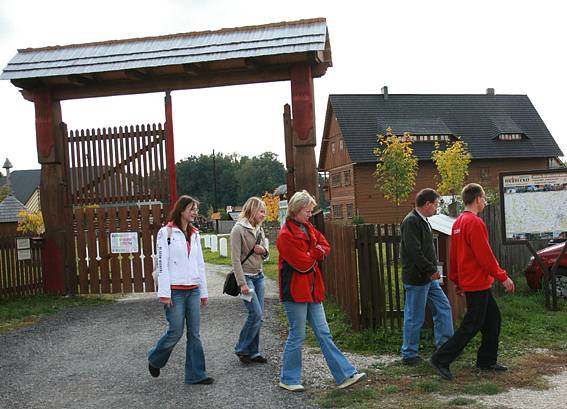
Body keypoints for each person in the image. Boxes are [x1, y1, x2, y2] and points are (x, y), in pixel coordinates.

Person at [277, 190, 366, 392]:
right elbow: (303, 264)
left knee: (324, 333)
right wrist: (315, 253)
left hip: (312, 290)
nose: (310, 214)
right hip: (296, 292)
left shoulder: (307, 227)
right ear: (296, 210)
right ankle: (289, 379)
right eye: (307, 211)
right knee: (297, 335)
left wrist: (313, 252)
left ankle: (344, 375)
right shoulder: (285, 235)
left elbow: (325, 246)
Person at [430, 183, 515, 381]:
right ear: (477, 199)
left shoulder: (459, 222)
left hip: (473, 282)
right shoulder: (475, 223)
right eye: (484, 198)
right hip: (477, 282)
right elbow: (485, 256)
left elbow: (454, 256)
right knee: (472, 324)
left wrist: (457, 280)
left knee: (492, 320)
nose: (484, 202)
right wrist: (503, 277)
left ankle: (486, 361)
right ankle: (440, 359)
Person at [148, 195, 213, 385]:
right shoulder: (165, 233)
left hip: (193, 290)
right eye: (192, 209)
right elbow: (162, 265)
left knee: (194, 334)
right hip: (175, 291)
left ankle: (196, 375)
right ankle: (155, 358)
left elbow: (199, 263)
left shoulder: (195, 233)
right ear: (182, 210)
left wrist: (203, 292)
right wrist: (165, 294)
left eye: (196, 210)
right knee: (175, 332)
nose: (195, 213)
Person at [400, 188, 453, 366]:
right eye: (436, 204)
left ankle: (445, 348)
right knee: (414, 316)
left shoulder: (424, 221)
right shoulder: (411, 221)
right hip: (417, 278)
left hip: (428, 278)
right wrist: (431, 270)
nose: (437, 208)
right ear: (428, 204)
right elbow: (414, 251)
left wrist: (431, 272)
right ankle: (409, 354)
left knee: (443, 307)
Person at [230, 196, 269, 364]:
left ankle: (253, 352)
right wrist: (242, 284)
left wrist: (264, 251)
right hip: (246, 277)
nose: (264, 215)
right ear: (252, 210)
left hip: (259, 276)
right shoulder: (238, 230)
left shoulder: (259, 228)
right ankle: (241, 348)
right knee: (256, 314)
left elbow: (266, 253)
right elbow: (235, 260)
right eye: (261, 211)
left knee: (258, 316)